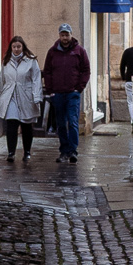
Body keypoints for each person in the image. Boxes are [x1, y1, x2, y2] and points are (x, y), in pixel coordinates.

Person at [41, 20, 91, 163]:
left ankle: (73, 150)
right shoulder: (52, 52)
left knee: (73, 122)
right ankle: (64, 151)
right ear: (59, 35)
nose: (64, 38)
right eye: (62, 35)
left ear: (71, 35)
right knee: (61, 123)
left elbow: (86, 70)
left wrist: (79, 87)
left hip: (72, 93)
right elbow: (48, 71)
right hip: (57, 93)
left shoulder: (79, 51)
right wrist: (50, 90)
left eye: (67, 35)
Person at [0, 34, 43, 164]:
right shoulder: (6, 61)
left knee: (26, 126)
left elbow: (36, 80)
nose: (16, 49)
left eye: (18, 46)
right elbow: (1, 80)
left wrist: (37, 97)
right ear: (11, 48)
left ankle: (27, 152)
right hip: (10, 96)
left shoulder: (31, 61)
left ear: (23, 47)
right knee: (11, 124)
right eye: (14, 46)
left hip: (26, 96)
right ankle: (11, 152)